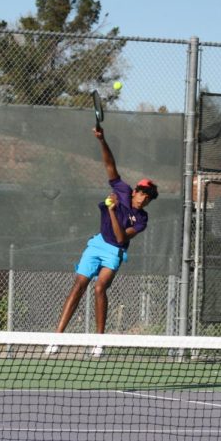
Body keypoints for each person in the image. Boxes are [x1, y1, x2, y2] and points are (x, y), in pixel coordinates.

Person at [46, 125, 158, 356]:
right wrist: (102, 140)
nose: (144, 197)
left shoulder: (141, 220)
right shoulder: (123, 191)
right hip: (97, 244)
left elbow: (119, 238)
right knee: (79, 284)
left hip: (114, 251)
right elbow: (110, 165)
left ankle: (98, 342)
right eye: (142, 192)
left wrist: (111, 211)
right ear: (135, 191)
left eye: (148, 196)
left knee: (99, 288)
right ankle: (56, 339)